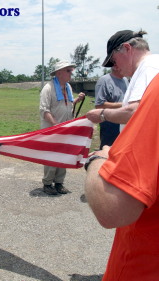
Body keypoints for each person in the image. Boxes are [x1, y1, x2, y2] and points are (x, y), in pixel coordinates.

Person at [84, 73, 159, 280]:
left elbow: (111, 212)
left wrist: (96, 160)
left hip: (143, 266)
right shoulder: (108, 80)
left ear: (126, 49)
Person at [86, 30, 159, 130]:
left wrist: (102, 114)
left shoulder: (148, 68)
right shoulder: (150, 66)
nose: (114, 66)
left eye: (113, 60)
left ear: (127, 48)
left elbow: (135, 111)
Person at [39, 61, 85, 195]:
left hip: (66, 129)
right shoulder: (48, 88)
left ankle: (59, 183)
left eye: (71, 70)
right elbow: (44, 110)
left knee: (63, 155)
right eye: (68, 70)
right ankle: (47, 183)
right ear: (59, 73)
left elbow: (68, 105)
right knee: (51, 155)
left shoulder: (68, 87)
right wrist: (55, 126)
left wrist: (76, 100)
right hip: (52, 129)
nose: (71, 73)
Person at [94, 65, 128, 149]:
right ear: (116, 67)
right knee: (108, 150)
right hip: (110, 123)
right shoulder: (104, 80)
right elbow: (99, 105)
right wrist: (123, 104)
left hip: (124, 122)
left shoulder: (126, 80)